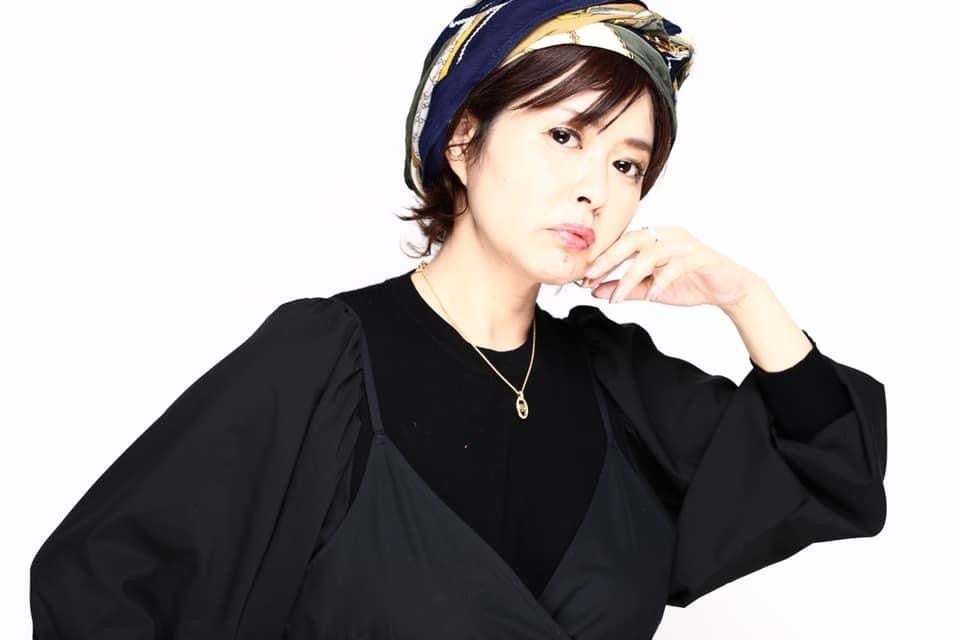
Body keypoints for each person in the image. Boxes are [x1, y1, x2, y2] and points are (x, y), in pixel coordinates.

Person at [29, 1, 887, 638]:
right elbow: (97, 586)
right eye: (564, 137)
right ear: (463, 140)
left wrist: (745, 298)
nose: (594, 188)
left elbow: (831, 473)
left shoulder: (619, 386)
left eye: (627, 164)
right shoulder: (323, 360)